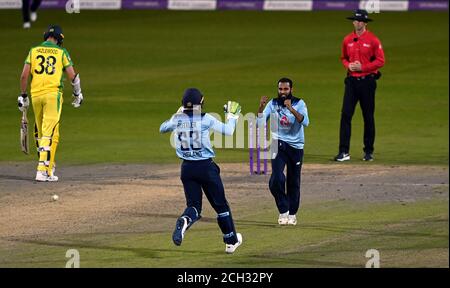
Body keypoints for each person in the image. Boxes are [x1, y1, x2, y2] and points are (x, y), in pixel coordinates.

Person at [159, 88, 243, 254]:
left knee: (194, 206)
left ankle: (185, 220)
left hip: (187, 169)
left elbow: (162, 128)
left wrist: (178, 114)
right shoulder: (206, 119)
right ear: (201, 102)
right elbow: (229, 131)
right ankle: (230, 241)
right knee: (221, 206)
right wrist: (232, 116)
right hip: (206, 168)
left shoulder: (177, 119)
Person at [18, 25, 84, 182]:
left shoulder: (34, 51)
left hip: (36, 95)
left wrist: (23, 96)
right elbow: (72, 76)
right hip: (53, 95)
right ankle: (41, 170)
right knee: (49, 132)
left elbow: (23, 76)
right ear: (59, 39)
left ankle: (49, 167)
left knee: (43, 132)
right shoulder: (62, 52)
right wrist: (77, 94)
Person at [334, 9, 385, 162]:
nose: (358, 23)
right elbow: (343, 57)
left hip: (367, 82)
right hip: (351, 82)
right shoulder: (347, 39)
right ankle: (343, 152)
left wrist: (363, 67)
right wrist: (348, 65)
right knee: (346, 115)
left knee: (368, 117)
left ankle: (368, 152)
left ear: (365, 23)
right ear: (353, 22)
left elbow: (380, 61)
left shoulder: (373, 40)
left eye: (361, 21)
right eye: (356, 21)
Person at [258, 78, 309, 226]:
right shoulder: (272, 103)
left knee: (293, 181)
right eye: (280, 89)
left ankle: (292, 214)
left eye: (286, 89)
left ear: (291, 90)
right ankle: (283, 209)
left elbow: (305, 122)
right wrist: (261, 108)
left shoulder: (300, 103)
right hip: (278, 142)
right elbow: (260, 123)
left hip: (296, 146)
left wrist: (291, 109)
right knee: (276, 179)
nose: (282, 92)